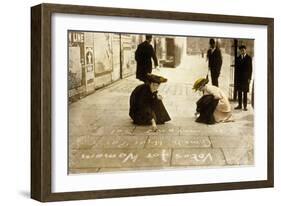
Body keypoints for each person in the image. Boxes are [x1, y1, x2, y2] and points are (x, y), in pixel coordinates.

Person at [234, 45, 252, 111]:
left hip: (245, 78)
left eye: (243, 50)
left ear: (245, 50)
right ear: (240, 51)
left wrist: (249, 78)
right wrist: (236, 79)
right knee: (239, 91)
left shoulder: (248, 58)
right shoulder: (238, 58)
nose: (242, 51)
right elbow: (236, 69)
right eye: (241, 50)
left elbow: (250, 69)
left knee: (244, 92)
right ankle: (239, 105)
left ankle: (245, 106)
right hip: (239, 78)